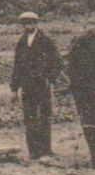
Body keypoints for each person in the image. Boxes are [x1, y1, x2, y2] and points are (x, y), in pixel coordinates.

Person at [10, 11, 61, 161]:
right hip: (27, 85)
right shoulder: (21, 42)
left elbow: (57, 62)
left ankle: (46, 149)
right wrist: (14, 88)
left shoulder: (46, 40)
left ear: (36, 23)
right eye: (25, 23)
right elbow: (17, 66)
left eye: (31, 23)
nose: (28, 26)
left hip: (42, 84)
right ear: (23, 25)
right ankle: (34, 151)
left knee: (44, 116)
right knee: (29, 117)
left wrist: (50, 79)